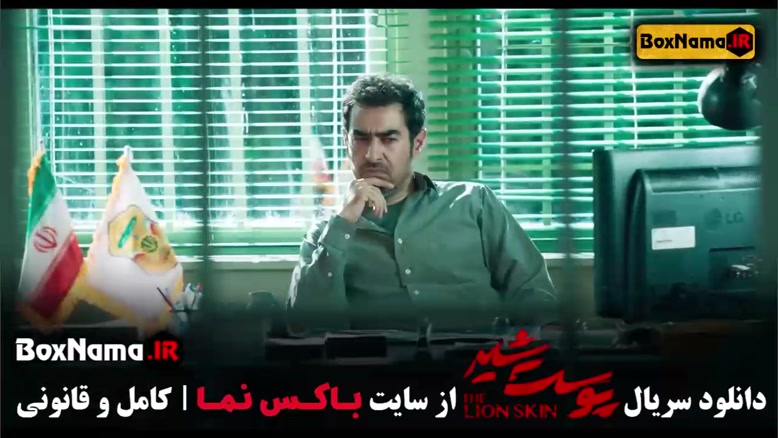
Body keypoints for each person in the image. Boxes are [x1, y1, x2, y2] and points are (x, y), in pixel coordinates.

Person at [287, 73, 557, 331]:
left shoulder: (474, 203)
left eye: (388, 139)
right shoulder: (328, 233)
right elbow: (304, 327)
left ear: (417, 143)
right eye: (361, 138)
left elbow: (536, 294)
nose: (372, 155)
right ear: (346, 141)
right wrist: (344, 222)